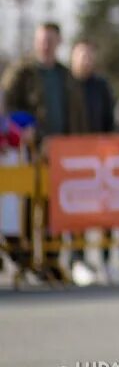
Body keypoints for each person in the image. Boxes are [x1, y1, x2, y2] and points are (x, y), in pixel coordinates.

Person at [1, 22, 88, 280]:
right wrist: (29, 133)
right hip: (30, 150)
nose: (46, 44)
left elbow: (77, 112)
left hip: (62, 152)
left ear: (59, 42)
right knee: (27, 206)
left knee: (56, 206)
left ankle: (51, 259)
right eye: (42, 39)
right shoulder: (23, 72)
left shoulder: (64, 75)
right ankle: (25, 258)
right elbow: (8, 107)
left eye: (51, 39)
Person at [69, 39, 117, 281]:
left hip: (99, 158)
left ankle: (106, 260)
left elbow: (109, 119)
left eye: (90, 56)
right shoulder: (67, 84)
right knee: (77, 211)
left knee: (105, 209)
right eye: (81, 55)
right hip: (71, 158)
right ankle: (77, 259)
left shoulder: (101, 86)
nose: (86, 60)